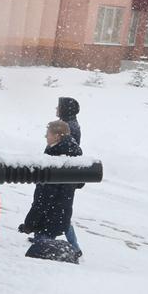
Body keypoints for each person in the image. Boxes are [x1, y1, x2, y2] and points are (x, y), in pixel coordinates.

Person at [18, 120, 83, 255]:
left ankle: (72, 252)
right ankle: (75, 249)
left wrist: (29, 224)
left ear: (57, 136)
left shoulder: (54, 158)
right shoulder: (72, 154)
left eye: (48, 134)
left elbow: (43, 199)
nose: (45, 136)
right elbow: (80, 183)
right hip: (61, 212)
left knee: (41, 255)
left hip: (47, 218)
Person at [56, 96, 83, 255]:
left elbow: (68, 151)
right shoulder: (68, 124)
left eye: (59, 106)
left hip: (65, 174)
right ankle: (44, 235)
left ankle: (74, 246)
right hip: (65, 173)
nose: (56, 109)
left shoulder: (69, 127)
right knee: (57, 208)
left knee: (62, 211)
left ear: (65, 109)